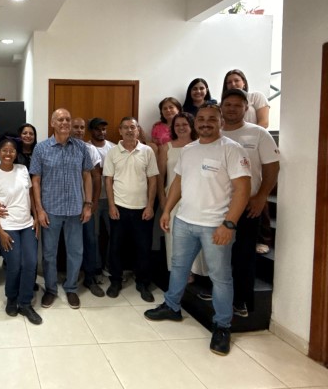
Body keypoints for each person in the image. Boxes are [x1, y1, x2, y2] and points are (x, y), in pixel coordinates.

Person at [145, 104, 251, 356]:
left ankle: (222, 326)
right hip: (184, 221)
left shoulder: (232, 149)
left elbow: (243, 190)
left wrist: (229, 223)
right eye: (201, 118)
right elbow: (178, 182)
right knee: (179, 267)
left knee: (220, 277)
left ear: (220, 121)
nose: (205, 122)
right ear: (196, 123)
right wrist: (168, 210)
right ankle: (172, 306)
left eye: (211, 119)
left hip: (216, 225)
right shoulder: (189, 150)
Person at [221, 89, 279, 317]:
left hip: (247, 206)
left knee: (244, 254)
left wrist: (262, 196)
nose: (232, 109)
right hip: (217, 205)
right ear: (222, 107)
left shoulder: (258, 134)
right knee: (218, 255)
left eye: (237, 105)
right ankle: (220, 295)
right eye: (228, 104)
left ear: (246, 108)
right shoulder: (215, 133)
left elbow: (272, 167)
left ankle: (240, 300)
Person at [30, 108, 93, 309]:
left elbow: (87, 176)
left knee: (76, 252)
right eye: (60, 119)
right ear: (52, 123)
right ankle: (50, 289)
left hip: (75, 210)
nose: (65, 122)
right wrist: (39, 210)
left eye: (67, 119)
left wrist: (88, 204)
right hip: (51, 210)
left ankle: (71, 287)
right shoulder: (41, 148)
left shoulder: (81, 147)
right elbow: (36, 181)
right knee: (49, 253)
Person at [0, 138, 42, 324]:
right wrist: (0, 232)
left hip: (27, 224)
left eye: (12, 151)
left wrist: (36, 217)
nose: (8, 154)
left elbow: (31, 195)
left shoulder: (22, 170)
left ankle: (25, 303)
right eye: (4, 150)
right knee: (15, 264)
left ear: (16, 154)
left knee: (30, 263)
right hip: (7, 227)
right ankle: (11, 298)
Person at [102, 117, 159, 302]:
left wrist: (150, 205)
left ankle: (143, 283)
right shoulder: (113, 152)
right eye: (125, 127)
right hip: (119, 207)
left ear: (138, 130)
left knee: (143, 247)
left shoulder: (147, 151)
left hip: (142, 209)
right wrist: (111, 205)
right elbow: (108, 180)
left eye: (132, 127)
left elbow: (153, 180)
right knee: (116, 247)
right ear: (120, 130)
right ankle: (115, 281)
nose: (129, 130)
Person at [157, 113, 206, 278]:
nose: (181, 128)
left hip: (195, 197)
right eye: (177, 125)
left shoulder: (200, 145)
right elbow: (160, 176)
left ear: (191, 125)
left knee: (195, 233)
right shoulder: (167, 148)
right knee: (174, 235)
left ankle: (195, 269)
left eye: (184, 124)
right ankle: (180, 272)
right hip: (172, 198)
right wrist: (162, 199)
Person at [71, 117, 104, 297]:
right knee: (70, 244)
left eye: (82, 127)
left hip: (85, 205)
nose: (79, 130)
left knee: (90, 241)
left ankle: (90, 278)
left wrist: (93, 201)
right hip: (67, 207)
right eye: (75, 127)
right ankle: (72, 277)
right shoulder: (62, 147)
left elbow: (96, 177)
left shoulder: (90, 149)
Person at [87, 117, 116, 274]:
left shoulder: (114, 148)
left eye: (103, 129)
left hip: (112, 199)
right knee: (94, 235)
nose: (101, 132)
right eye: (97, 129)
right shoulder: (86, 148)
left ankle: (110, 266)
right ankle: (96, 267)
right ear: (91, 131)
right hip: (93, 199)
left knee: (114, 234)